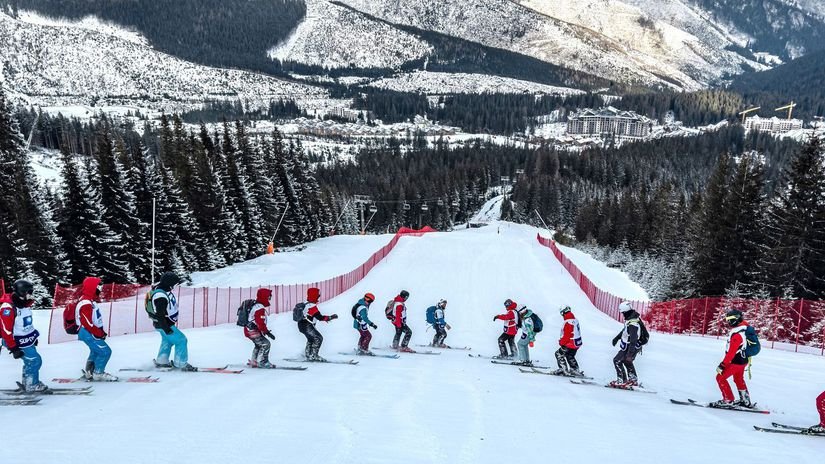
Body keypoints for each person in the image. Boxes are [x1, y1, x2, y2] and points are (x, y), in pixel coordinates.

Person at [0, 280, 48, 392]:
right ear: (22, 292)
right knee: (35, 360)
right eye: (29, 292)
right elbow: (6, 330)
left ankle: (28, 382)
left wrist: (33, 337)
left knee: (31, 361)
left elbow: (26, 324)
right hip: (15, 341)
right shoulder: (8, 308)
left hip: (25, 340)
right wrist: (13, 348)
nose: (31, 294)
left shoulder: (23, 304)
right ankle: (31, 384)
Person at [148, 271, 195, 371]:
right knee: (181, 340)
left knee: (168, 341)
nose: (175, 286)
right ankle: (181, 363)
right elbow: (160, 314)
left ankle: (162, 361)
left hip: (161, 324)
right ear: (169, 284)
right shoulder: (160, 296)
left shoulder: (162, 290)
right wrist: (167, 329)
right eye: (175, 284)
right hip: (165, 325)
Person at [76, 277, 117, 381]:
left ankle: (89, 371)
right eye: (97, 286)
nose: (100, 288)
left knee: (95, 351)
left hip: (90, 332)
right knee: (105, 351)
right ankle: (98, 372)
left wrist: (100, 331)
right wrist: (99, 333)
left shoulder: (89, 300)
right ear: (91, 288)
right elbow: (88, 323)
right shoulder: (86, 303)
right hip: (88, 332)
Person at [711, 309, 754, 408]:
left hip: (736, 362)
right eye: (727, 319)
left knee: (720, 378)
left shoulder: (737, 334)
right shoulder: (743, 330)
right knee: (738, 379)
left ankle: (728, 400)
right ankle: (745, 400)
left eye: (730, 319)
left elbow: (731, 353)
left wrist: (722, 365)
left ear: (737, 319)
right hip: (742, 361)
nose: (728, 321)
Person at [298, 287, 337, 361]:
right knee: (318, 338)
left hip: (301, 325)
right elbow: (320, 317)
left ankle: (308, 354)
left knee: (311, 339)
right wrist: (331, 317)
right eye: (318, 294)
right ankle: (314, 355)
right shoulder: (311, 306)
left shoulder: (306, 303)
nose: (319, 296)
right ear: (314, 295)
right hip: (307, 326)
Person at [611, 302, 642, 387]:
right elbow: (625, 331)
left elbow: (633, 339)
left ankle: (622, 380)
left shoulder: (633, 324)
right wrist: (617, 338)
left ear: (626, 312)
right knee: (626, 361)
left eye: (623, 313)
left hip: (631, 346)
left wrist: (630, 354)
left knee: (617, 360)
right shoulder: (631, 319)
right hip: (629, 346)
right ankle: (633, 380)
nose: (622, 315)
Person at [244, 288, 275, 368]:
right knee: (266, 344)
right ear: (264, 297)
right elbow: (260, 322)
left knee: (258, 345)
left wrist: (264, 331)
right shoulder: (259, 308)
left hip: (249, 329)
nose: (269, 299)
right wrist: (267, 332)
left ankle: (254, 361)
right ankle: (263, 362)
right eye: (269, 297)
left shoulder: (256, 305)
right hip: (253, 331)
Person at [554, 305, 583, 376]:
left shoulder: (568, 322)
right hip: (577, 343)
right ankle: (574, 369)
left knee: (558, 354)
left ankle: (563, 369)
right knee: (570, 355)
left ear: (563, 312)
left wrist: (561, 342)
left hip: (570, 343)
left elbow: (567, 335)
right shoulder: (575, 320)